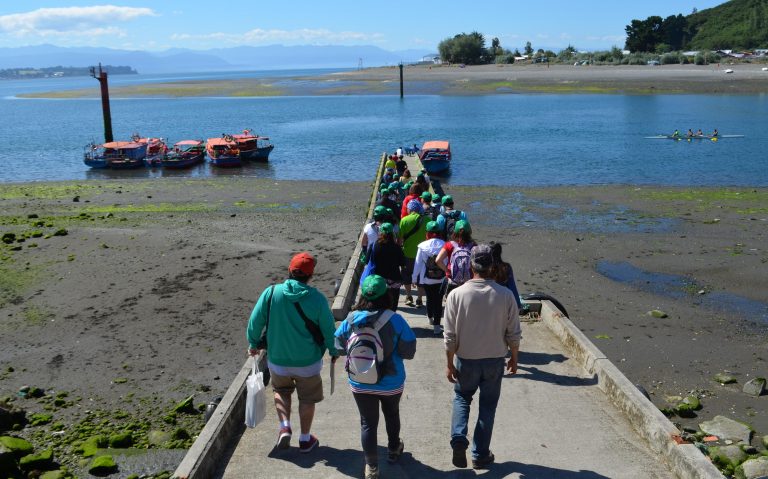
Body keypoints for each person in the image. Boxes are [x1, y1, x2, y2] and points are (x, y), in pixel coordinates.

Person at [247, 252, 339, 453]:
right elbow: (328, 330)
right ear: (311, 275)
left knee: (281, 391)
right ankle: (305, 439)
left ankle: (285, 427)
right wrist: (334, 350)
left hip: (278, 359)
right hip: (308, 362)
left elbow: (255, 322)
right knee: (307, 399)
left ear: (289, 270)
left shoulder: (271, 293)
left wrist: (253, 343)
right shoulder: (317, 299)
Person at [443, 244, 521, 470]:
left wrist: (449, 363)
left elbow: (449, 336)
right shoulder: (505, 295)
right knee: (488, 406)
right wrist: (514, 357)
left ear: (471, 265)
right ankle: (480, 454)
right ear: (492, 266)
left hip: (466, 359)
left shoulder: (456, 295)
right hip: (494, 360)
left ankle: (459, 438)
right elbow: (514, 333)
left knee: (462, 397)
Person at [335, 275, 416, 479]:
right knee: (392, 414)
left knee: (367, 423)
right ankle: (394, 448)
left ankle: (371, 467)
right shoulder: (395, 319)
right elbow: (408, 351)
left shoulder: (351, 319)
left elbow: (339, 346)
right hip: (391, 381)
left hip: (360, 380)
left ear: (363, 295)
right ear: (386, 295)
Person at [412, 221, 447, 334]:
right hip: (441, 278)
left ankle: (430, 317)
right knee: (438, 301)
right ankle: (437, 326)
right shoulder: (444, 244)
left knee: (429, 298)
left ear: (427, 232)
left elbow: (418, 264)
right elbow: (446, 262)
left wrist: (414, 278)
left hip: (426, 278)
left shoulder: (422, 246)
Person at [368, 222, 406, 311]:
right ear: (392, 233)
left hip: (379, 280)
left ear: (380, 232)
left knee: (380, 303)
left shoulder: (374, 245)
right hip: (394, 279)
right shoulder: (397, 247)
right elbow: (402, 263)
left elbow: (367, 261)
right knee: (393, 303)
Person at [435, 220, 476, 298]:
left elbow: (438, 260)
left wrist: (447, 270)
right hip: (468, 283)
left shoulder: (449, 245)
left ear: (454, 232)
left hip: (452, 281)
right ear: (469, 232)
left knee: (451, 302)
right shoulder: (473, 246)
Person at [399, 200, 427, 307]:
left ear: (410, 209)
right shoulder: (427, 220)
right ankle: (419, 299)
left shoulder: (404, 220)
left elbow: (400, 240)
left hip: (408, 254)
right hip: (423, 255)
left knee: (406, 275)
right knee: (421, 276)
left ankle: (409, 296)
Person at [489, 241, 524, 311]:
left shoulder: (486, 268)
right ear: (500, 252)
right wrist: (518, 305)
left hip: (489, 301)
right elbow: (512, 287)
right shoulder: (506, 267)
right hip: (503, 303)